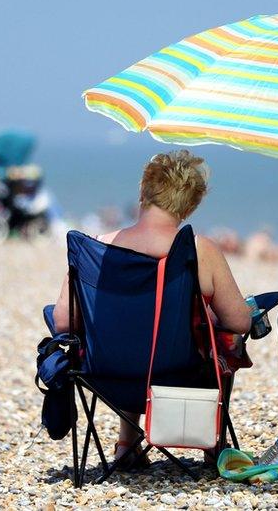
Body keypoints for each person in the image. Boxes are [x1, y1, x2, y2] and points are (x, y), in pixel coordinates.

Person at [51, 150, 252, 468]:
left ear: (143, 191)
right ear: (191, 204)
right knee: (223, 343)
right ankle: (213, 446)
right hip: (178, 378)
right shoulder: (198, 250)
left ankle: (126, 446)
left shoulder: (96, 247)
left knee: (130, 328)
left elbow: (63, 322)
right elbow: (239, 321)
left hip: (105, 378)